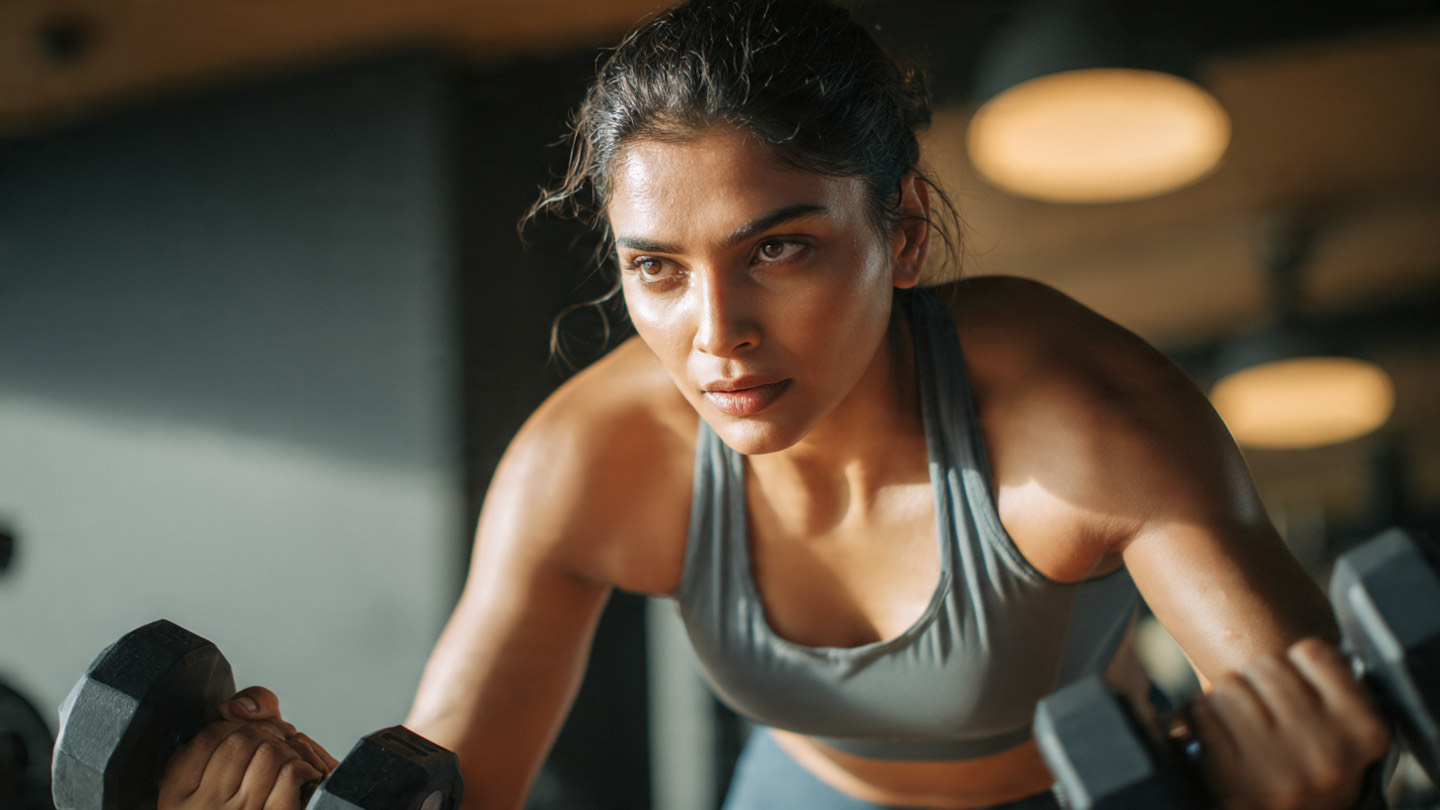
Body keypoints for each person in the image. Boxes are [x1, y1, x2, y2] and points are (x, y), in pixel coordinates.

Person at [157, 1, 1394, 809]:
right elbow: (454, 780)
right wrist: (290, 788)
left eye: (780, 250)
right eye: (658, 267)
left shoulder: (1084, 420)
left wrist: (1312, 784)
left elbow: (1320, 723)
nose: (718, 335)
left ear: (901, 228)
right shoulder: (591, 458)